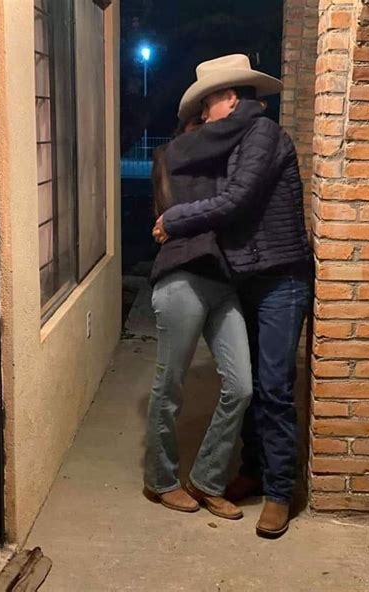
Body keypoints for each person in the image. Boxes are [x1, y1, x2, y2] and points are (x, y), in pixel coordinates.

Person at [153, 54, 313, 539]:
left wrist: (175, 220)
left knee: (272, 387)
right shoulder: (234, 139)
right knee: (248, 384)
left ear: (232, 98)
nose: (205, 115)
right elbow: (185, 166)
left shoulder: (262, 135)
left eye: (209, 103)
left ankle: (280, 492)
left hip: (281, 277)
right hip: (245, 277)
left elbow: (237, 199)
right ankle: (253, 471)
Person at [143, 114, 256, 520]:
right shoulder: (175, 157)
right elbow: (209, 213)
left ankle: (207, 479)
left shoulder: (227, 167)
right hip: (181, 278)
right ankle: (160, 479)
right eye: (203, 128)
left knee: (241, 385)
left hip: (221, 282)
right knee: (170, 383)